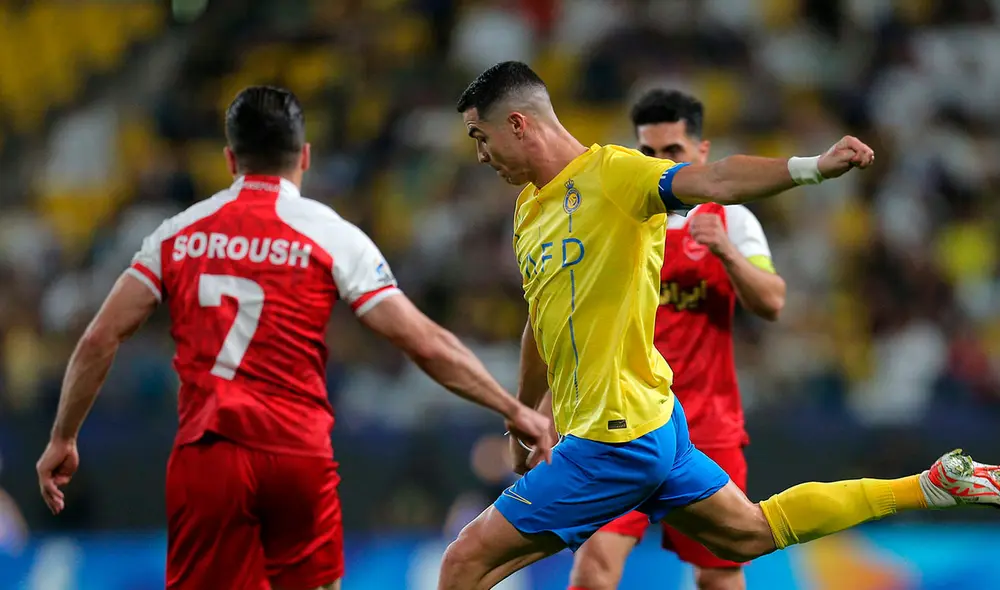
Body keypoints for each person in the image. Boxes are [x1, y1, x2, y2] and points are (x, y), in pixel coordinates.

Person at [439, 61, 1000, 590]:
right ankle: (932, 486)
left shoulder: (614, 175)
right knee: (751, 531)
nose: (482, 155)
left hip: (614, 441)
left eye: (480, 138)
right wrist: (521, 415)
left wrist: (810, 168)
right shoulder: (529, 210)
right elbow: (541, 322)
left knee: (465, 560)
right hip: (654, 425)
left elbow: (719, 182)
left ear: (517, 123)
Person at [35, 86, 555, 590]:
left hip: (209, 455)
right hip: (296, 455)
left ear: (230, 160)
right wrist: (511, 406)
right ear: (303, 157)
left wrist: (63, 437)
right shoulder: (330, 233)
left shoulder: (178, 233)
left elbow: (100, 337)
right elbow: (423, 341)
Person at [566, 89, 784, 590]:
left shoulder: (733, 220)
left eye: (673, 153)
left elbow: (772, 301)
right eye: (649, 154)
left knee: (718, 575)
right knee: (595, 565)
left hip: (707, 427)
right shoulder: (618, 222)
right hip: (626, 424)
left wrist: (725, 251)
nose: (661, 164)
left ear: (701, 153)